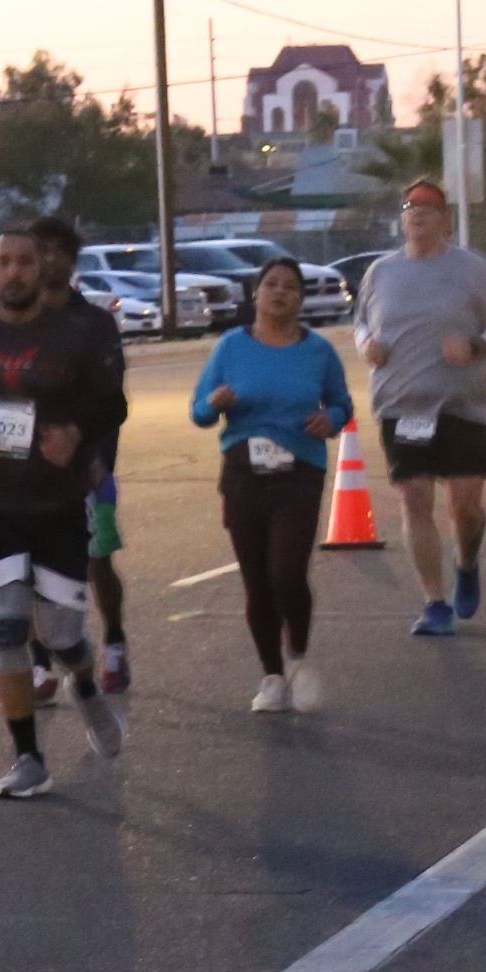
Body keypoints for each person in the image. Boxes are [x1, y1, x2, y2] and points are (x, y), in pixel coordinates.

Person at [0, 226, 126, 799]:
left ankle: (84, 685)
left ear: (40, 270)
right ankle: (28, 758)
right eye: (4, 263)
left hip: (59, 503)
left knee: (63, 637)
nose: (14, 271)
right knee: (8, 627)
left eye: (24, 262)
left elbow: (112, 405)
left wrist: (77, 437)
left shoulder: (75, 337)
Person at [189, 255, 353, 711]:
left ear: (301, 299)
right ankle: (272, 676)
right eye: (272, 284)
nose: (280, 292)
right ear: (256, 293)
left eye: (290, 287)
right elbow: (199, 411)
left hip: (299, 471)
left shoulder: (318, 350)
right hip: (243, 473)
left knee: (287, 571)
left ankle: (297, 654)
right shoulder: (231, 346)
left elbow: (342, 403)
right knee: (257, 580)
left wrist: (331, 418)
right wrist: (215, 402)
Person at [353, 178, 486, 632]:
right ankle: (435, 603)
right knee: (415, 497)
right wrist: (366, 346)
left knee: (465, 505)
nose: (417, 212)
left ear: (446, 221)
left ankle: (467, 562)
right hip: (402, 406)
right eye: (410, 207)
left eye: (428, 207)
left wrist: (474, 346)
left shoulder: (472, 269)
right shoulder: (381, 272)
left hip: (461, 405)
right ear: (402, 220)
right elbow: (360, 323)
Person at [35, 214, 132, 694]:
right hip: (28, 470)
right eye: (41, 251)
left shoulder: (94, 323)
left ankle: (114, 639)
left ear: (72, 260)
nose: (49, 260)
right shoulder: (14, 322)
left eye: (59, 251)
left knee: (97, 560)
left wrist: (95, 456)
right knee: (29, 567)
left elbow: (112, 401)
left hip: (88, 466)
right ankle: (39, 663)